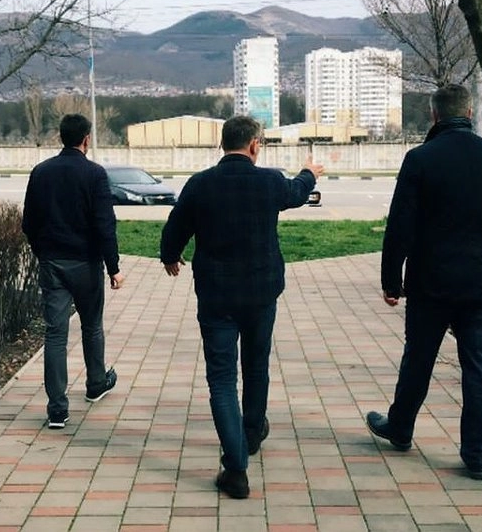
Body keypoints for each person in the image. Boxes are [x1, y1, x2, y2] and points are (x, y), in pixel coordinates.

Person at [159, 116, 324, 499]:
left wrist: (170, 255)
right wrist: (310, 173)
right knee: (256, 365)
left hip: (216, 297)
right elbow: (297, 192)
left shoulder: (200, 184)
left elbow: (175, 227)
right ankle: (250, 433)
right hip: (261, 294)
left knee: (221, 380)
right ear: (254, 145)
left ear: (223, 144)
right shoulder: (269, 181)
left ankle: (235, 469)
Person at [366, 83, 482, 481]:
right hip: (480, 282)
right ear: (469, 113)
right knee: (478, 366)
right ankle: (477, 455)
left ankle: (400, 428)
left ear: (434, 115)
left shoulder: (420, 159)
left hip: (430, 282)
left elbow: (400, 224)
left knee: (418, 358)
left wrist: (391, 280)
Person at [22, 114, 123, 430]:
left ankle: (57, 410)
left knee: (55, 334)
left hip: (52, 262)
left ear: (61, 137)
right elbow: (104, 224)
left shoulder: (41, 172)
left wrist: (43, 252)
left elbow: (29, 222)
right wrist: (114, 267)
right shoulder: (95, 174)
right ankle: (96, 384)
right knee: (91, 326)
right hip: (86, 264)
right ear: (86, 139)